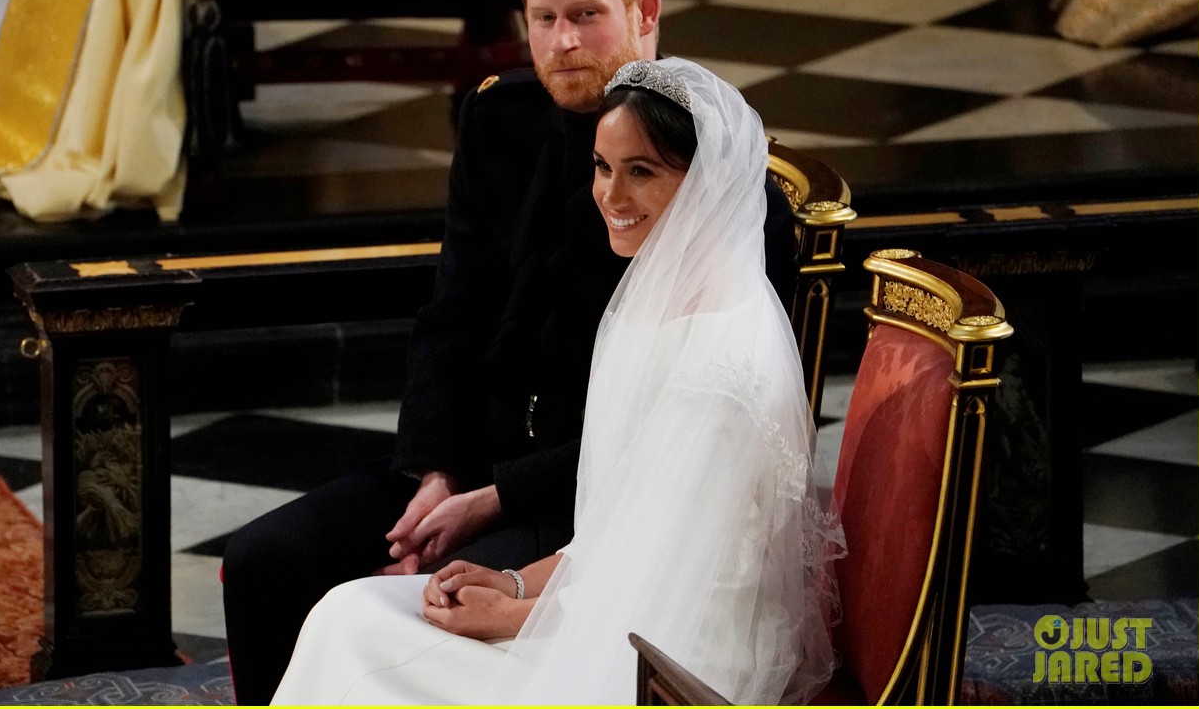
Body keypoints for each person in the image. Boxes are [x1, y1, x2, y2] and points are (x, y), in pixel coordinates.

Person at [221, 0, 798, 704]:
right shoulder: (497, 120)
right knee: (266, 563)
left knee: (398, 617)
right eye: (543, 16)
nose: (562, 41)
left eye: (587, 16)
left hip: (572, 497)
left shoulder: (717, 188)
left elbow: (685, 442)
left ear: (646, 10)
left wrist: (498, 500)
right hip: (464, 461)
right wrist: (433, 472)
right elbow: (451, 314)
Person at [271, 58, 844, 705]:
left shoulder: (722, 358)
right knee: (347, 613)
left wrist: (510, 618)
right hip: (614, 609)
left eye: (642, 172)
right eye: (602, 167)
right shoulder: (659, 298)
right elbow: (615, 534)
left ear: (705, 183)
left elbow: (669, 574)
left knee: (354, 637)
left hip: (671, 661)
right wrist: (513, 585)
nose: (612, 196)